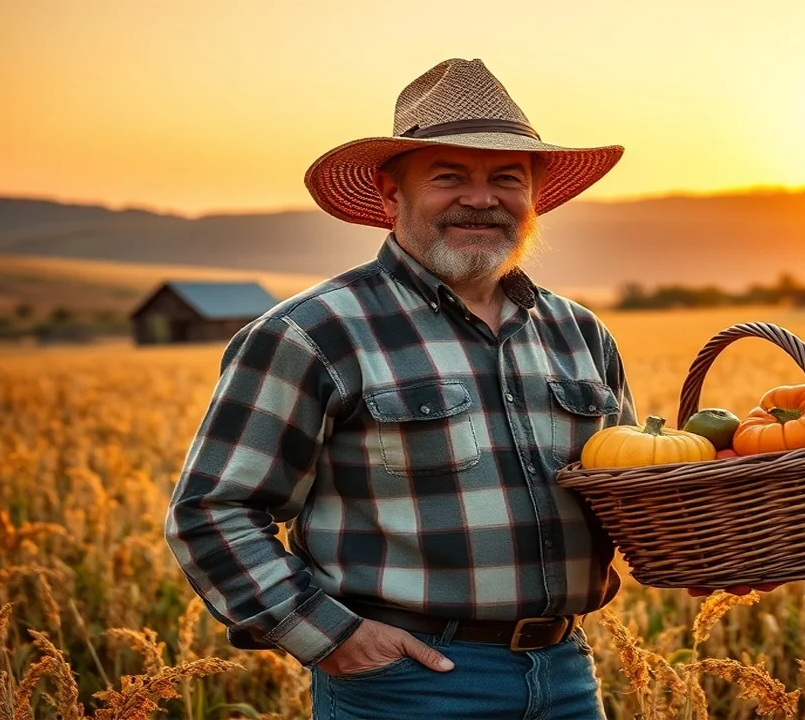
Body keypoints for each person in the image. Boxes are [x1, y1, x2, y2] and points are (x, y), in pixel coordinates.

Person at [164, 57, 769, 720]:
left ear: (534, 197)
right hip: (407, 684)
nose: (481, 199)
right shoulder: (314, 332)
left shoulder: (578, 332)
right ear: (390, 193)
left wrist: (710, 554)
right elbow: (212, 510)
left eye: (506, 178)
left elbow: (623, 494)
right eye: (449, 177)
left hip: (565, 673)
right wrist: (332, 639)